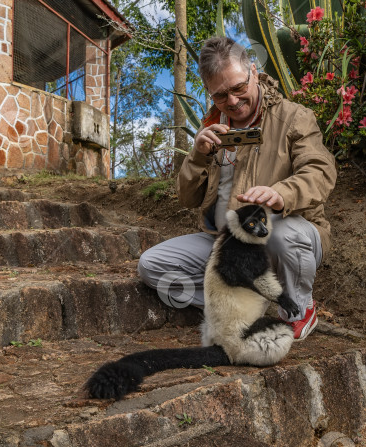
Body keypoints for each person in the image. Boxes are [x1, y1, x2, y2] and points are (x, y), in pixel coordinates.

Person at [137, 36, 336, 340]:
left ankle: (298, 309)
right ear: (209, 92)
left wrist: (282, 194)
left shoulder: (294, 117)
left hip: (281, 237)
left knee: (281, 234)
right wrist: (198, 156)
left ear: (253, 73)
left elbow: (320, 171)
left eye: (239, 88)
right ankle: (243, 308)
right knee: (152, 266)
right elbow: (187, 198)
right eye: (220, 95)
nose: (231, 101)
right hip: (225, 245)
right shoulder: (213, 128)